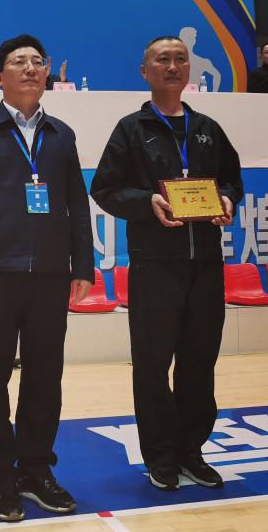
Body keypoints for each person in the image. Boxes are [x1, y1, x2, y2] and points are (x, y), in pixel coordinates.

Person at [0, 34, 94, 522]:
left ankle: (36, 468)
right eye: (18, 61)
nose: (31, 68)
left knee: (45, 376)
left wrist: (82, 266)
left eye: (37, 62)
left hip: (51, 274)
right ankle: (3, 473)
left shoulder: (61, 134)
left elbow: (76, 204)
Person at [90, 36, 243, 492]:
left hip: (205, 265)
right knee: (152, 365)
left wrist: (228, 200)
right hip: (155, 264)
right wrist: (147, 202)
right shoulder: (131, 129)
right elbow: (105, 188)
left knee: (200, 361)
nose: (173, 66)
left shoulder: (208, 128)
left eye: (180, 59)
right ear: (145, 71)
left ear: (189, 69)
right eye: (163, 60)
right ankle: (159, 455)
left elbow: (232, 181)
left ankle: (191, 450)